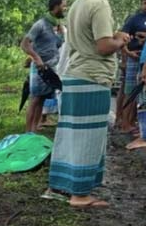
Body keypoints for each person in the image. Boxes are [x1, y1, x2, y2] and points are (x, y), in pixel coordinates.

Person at [46, 0, 130, 208]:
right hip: (93, 77)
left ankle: (60, 184)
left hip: (75, 76)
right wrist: (120, 39)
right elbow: (103, 46)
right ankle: (80, 194)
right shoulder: (99, 4)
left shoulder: (77, 4)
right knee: (89, 137)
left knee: (71, 135)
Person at [21, 0, 67, 133]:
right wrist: (36, 58)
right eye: (64, 6)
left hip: (50, 68)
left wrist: (61, 34)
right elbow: (25, 44)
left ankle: (34, 131)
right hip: (39, 68)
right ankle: (28, 132)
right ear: (56, 6)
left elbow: (55, 46)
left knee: (42, 99)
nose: (65, 8)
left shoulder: (57, 26)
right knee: (35, 99)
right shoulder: (40, 24)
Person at [119, 1, 146, 136]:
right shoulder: (135, 19)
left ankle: (134, 123)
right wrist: (128, 53)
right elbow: (121, 37)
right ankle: (125, 123)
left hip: (144, 58)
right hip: (134, 58)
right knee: (130, 91)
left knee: (142, 93)